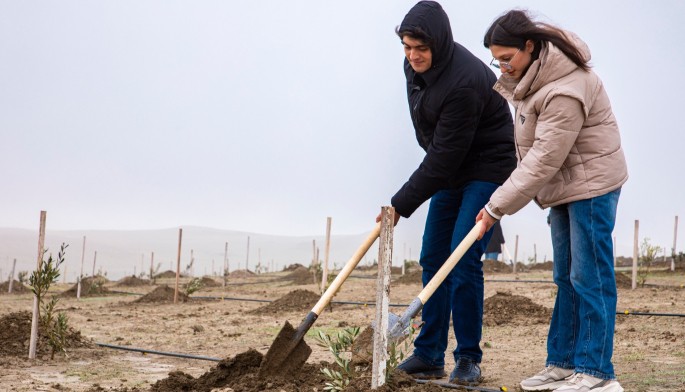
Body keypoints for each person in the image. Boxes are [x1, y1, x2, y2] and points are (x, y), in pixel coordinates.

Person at [476, 10, 628, 392]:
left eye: (507, 58)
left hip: (592, 186)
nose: (502, 67)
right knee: (565, 276)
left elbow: (544, 157)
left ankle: (596, 372)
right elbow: (530, 152)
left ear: (529, 47)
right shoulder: (532, 80)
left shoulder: (566, 86)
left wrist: (497, 206)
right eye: (497, 60)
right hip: (564, 186)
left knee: (589, 276)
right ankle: (562, 364)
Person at [378, 1, 516, 385]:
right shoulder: (413, 68)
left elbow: (443, 155)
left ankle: (468, 358)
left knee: (461, 256)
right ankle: (428, 354)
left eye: (420, 48)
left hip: (487, 166)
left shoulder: (465, 80)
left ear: (438, 43)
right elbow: (433, 140)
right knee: (433, 255)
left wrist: (400, 204)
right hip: (451, 166)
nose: (413, 55)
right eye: (407, 47)